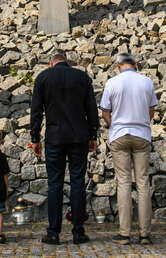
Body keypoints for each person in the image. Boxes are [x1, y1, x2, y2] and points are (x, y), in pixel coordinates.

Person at [30, 52, 99, 245]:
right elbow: (91, 108)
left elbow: (36, 110)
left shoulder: (43, 77)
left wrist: (35, 138)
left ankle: (53, 232)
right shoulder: (82, 77)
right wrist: (93, 134)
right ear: (66, 62)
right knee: (77, 182)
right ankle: (78, 231)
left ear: (51, 63)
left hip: (54, 137)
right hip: (79, 137)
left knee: (55, 184)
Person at [99, 53, 158, 245]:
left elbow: (105, 111)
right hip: (141, 134)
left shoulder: (112, 83)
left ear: (118, 66)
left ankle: (125, 233)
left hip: (119, 134)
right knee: (142, 183)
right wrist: (143, 122)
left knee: (123, 182)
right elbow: (151, 109)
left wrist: (113, 124)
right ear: (136, 64)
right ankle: (144, 234)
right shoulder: (147, 82)